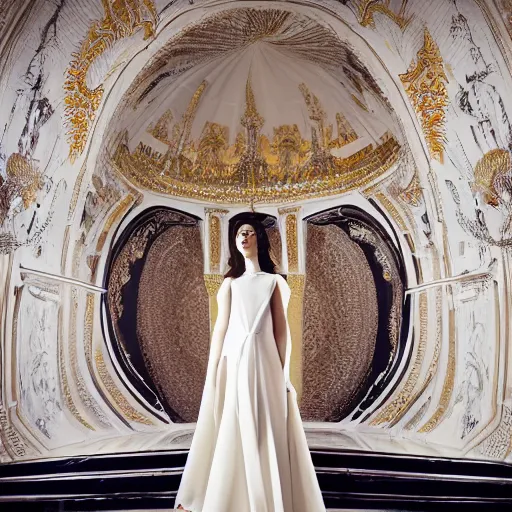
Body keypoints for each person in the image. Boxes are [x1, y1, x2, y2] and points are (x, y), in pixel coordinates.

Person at [175, 217, 326, 512]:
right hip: (234, 363)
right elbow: (220, 329)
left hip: (266, 364)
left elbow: (282, 333)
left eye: (250, 233)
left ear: (260, 239)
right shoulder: (230, 284)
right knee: (234, 426)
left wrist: (283, 376)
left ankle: (268, 501)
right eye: (240, 234)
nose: (244, 237)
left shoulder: (275, 282)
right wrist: (215, 370)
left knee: (264, 429)